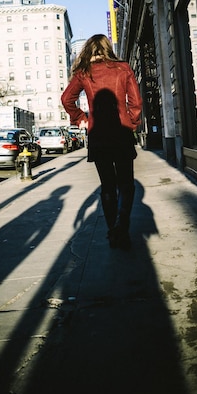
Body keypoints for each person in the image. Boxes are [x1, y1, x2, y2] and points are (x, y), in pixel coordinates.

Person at [61, 34, 142, 250]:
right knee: (126, 184)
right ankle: (121, 227)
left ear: (89, 49)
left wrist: (81, 119)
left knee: (108, 185)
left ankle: (112, 231)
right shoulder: (123, 68)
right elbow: (136, 101)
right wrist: (132, 122)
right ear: (107, 48)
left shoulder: (83, 72)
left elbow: (66, 99)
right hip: (122, 132)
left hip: (98, 135)